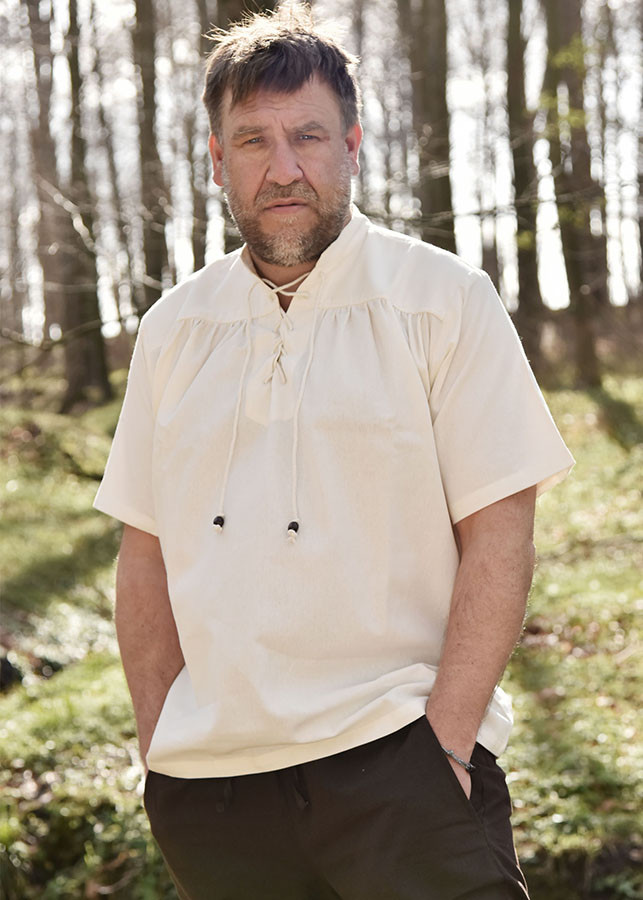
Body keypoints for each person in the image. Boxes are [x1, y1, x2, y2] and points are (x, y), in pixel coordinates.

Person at [94, 4, 574, 898]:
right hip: (214, 795)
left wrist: (447, 746)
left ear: (351, 143)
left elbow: (500, 532)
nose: (283, 169)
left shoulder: (443, 301)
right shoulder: (171, 332)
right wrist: (158, 747)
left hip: (400, 766)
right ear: (214, 159)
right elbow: (144, 552)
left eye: (307, 136)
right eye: (251, 142)